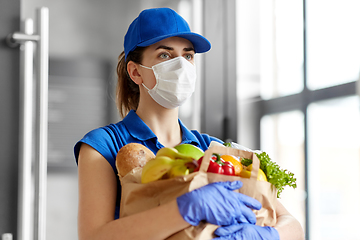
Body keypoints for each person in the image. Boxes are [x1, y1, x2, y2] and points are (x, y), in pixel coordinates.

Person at [74, 7, 304, 240]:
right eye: (165, 55)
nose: (181, 65)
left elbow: (293, 227)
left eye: (188, 55)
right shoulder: (103, 145)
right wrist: (184, 210)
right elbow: (93, 236)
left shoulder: (213, 149)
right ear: (135, 72)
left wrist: (265, 235)